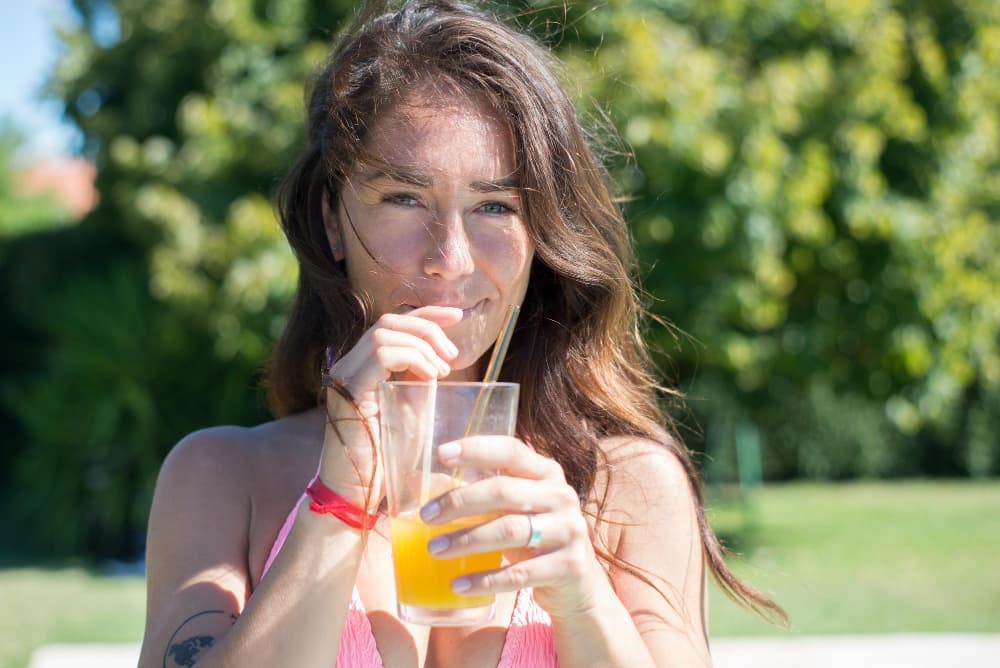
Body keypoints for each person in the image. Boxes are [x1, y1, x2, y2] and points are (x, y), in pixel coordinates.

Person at [138, 1, 783, 666]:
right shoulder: (223, 476)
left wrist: (583, 598)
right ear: (332, 220)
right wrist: (336, 502)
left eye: (495, 206)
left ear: (541, 235)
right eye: (404, 198)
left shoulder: (630, 488)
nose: (450, 258)